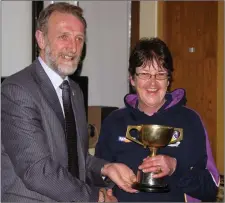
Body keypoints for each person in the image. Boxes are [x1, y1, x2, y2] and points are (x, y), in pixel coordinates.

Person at [1, 2, 137, 202]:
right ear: (41, 39)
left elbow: (76, 159)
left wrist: (106, 168)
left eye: (79, 38)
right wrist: (95, 197)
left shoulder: (74, 91)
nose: (73, 47)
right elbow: (37, 171)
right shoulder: (17, 90)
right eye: (64, 36)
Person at [95, 37, 220, 202]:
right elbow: (94, 176)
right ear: (132, 79)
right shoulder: (114, 122)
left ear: (169, 79)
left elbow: (210, 189)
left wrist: (176, 167)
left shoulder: (190, 120)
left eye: (160, 74)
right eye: (145, 74)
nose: (152, 83)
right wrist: (104, 191)